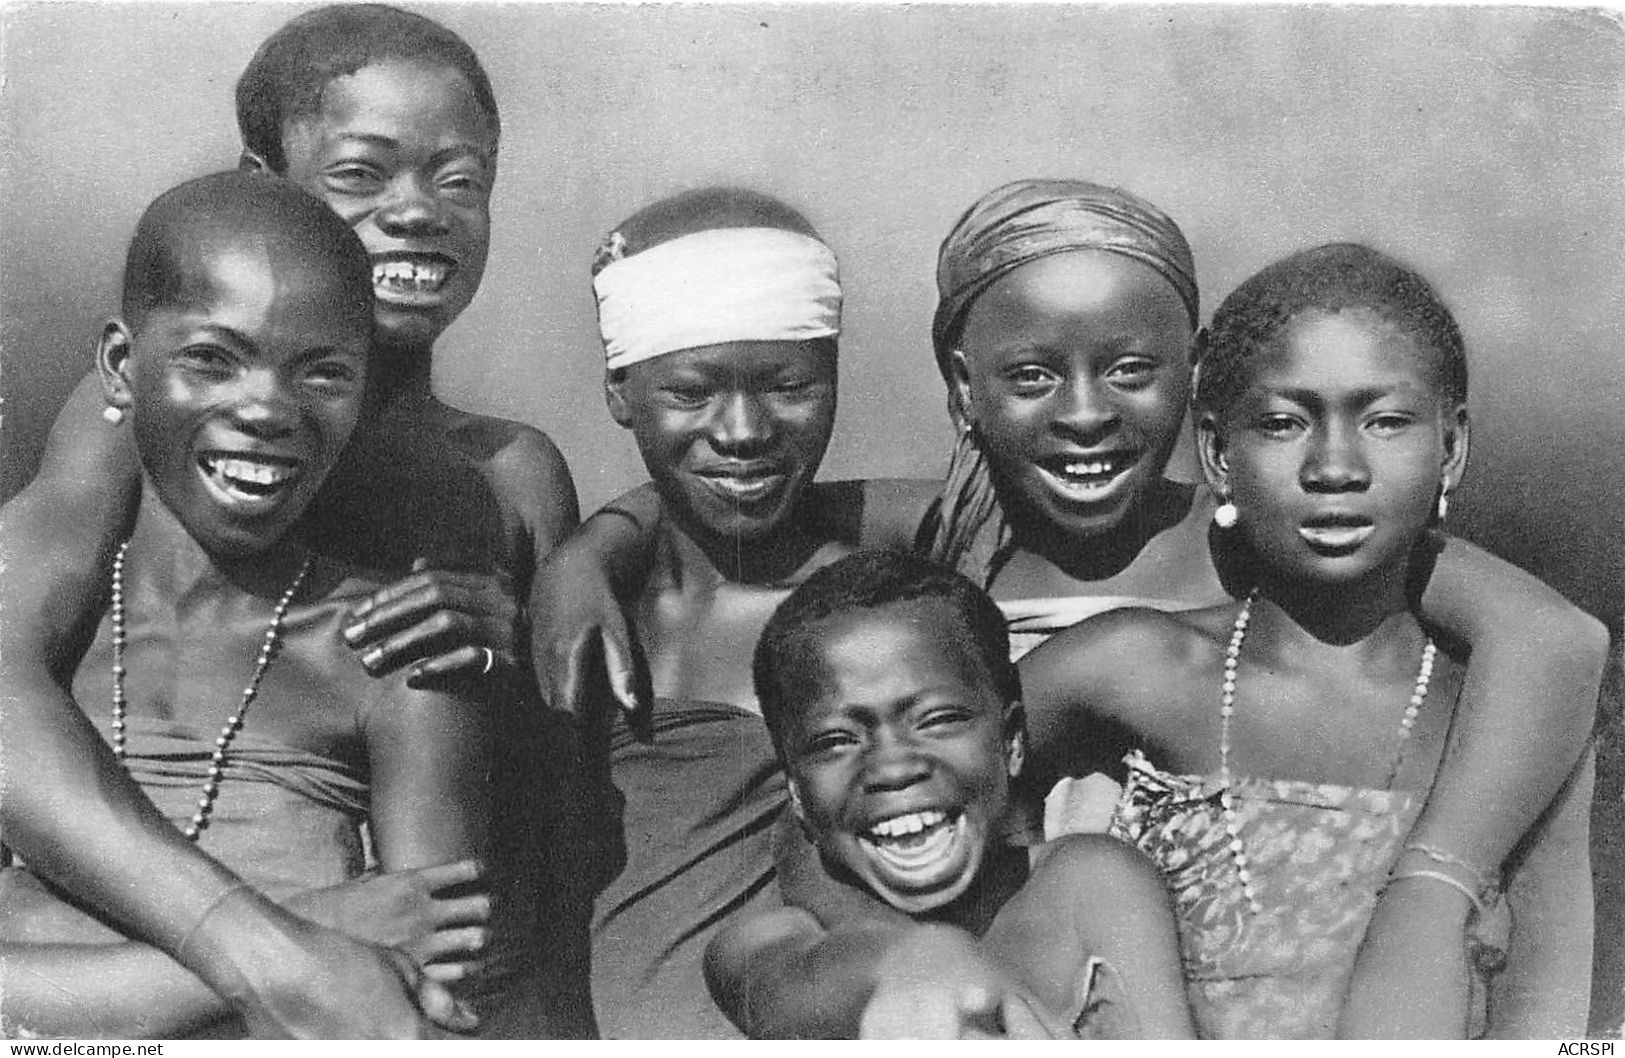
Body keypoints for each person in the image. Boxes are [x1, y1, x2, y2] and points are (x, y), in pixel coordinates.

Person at [537, 179, 1607, 1034]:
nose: (1085, 414)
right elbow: (753, 512)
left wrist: (1432, 894)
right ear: (963, 389)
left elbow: (1548, 634)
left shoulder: (1270, 536)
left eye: (1132, 368)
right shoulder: (942, 547)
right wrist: (597, 543)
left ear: (1194, 389)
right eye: (1031, 375)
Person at [0, 5, 590, 1037]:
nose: (416, 212)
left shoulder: (501, 475)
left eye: (460, 179)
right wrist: (274, 937)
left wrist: (528, 642)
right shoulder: (125, 422)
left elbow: (499, 862)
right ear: (260, 175)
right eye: (364, 172)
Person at [1018, 242, 1597, 1038]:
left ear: (1451, 447)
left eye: (1385, 421)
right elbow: (909, 793)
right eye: (1284, 423)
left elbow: (1562, 1021)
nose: (1333, 466)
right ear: (1219, 454)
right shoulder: (1134, 667)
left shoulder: (1506, 717)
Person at [706, 550, 1195, 1039]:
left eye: (938, 720)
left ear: (1013, 743)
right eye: (836, 741)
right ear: (796, 794)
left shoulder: (1087, 881)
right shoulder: (765, 939)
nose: (894, 768)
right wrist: (919, 959)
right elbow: (783, 979)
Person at [577, 186, 854, 1037]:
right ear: (621, 393)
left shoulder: (880, 599)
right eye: (691, 393)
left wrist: (592, 545)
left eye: (788, 385)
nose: (742, 430)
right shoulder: (594, 621)